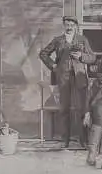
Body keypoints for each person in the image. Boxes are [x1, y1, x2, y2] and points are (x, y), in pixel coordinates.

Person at [39, 16, 96, 148]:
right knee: (64, 109)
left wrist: (81, 56)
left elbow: (92, 57)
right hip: (63, 78)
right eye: (67, 24)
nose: (69, 27)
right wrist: (53, 66)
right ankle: (65, 140)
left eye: (71, 24)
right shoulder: (58, 40)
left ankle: (83, 140)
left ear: (76, 26)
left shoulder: (82, 39)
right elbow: (43, 54)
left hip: (80, 77)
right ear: (64, 26)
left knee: (82, 108)